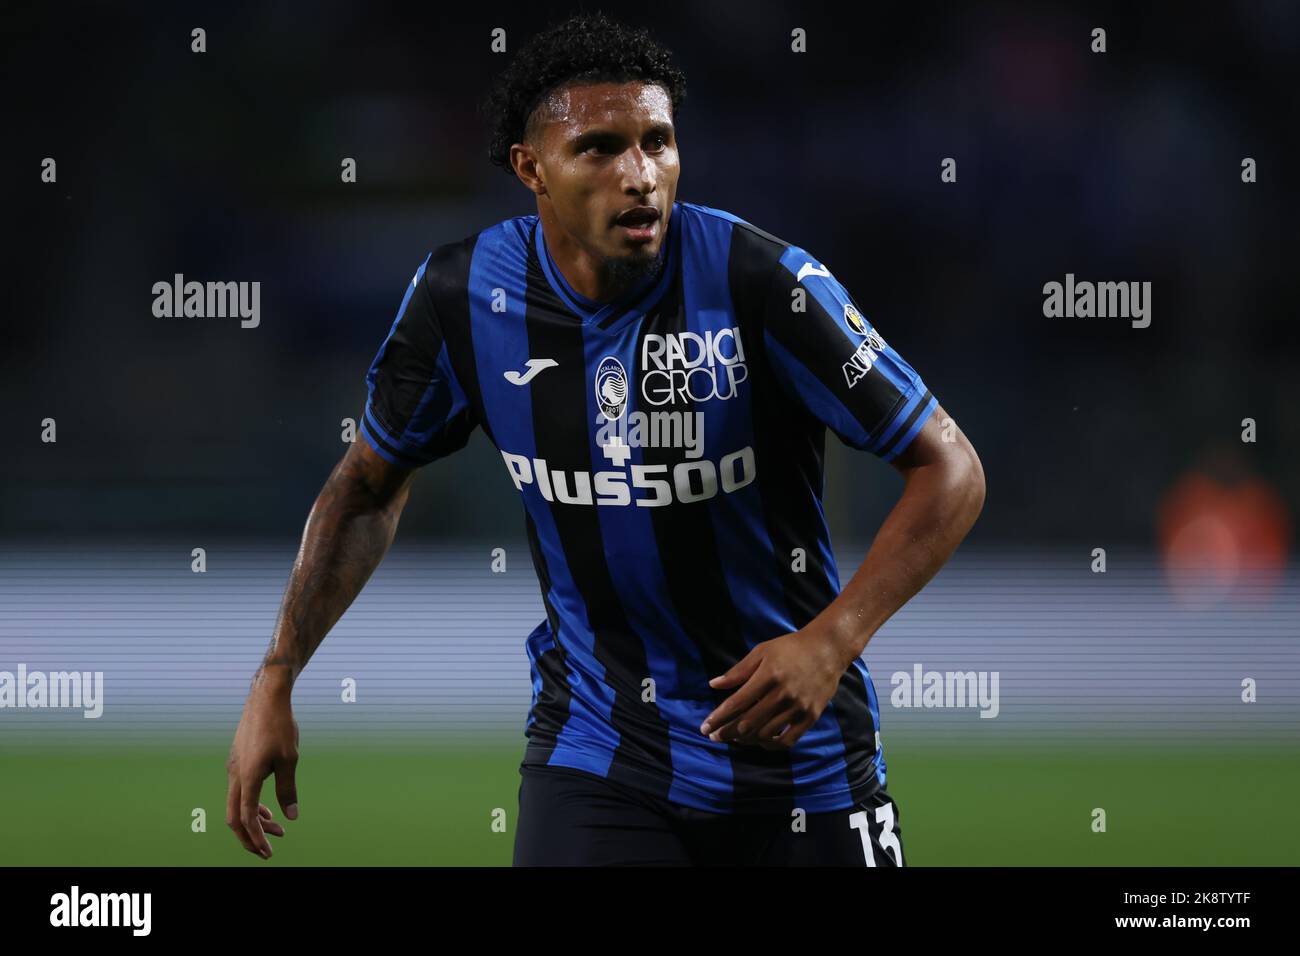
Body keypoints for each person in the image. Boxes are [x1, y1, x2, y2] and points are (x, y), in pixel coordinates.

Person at [226, 11, 985, 866]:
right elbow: (366, 486)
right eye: (598, 148)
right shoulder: (460, 298)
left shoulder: (764, 283)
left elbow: (951, 467)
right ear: (532, 169)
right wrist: (278, 675)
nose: (639, 176)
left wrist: (832, 640)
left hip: (799, 760)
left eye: (657, 142)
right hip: (600, 754)